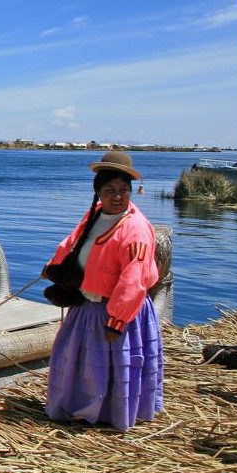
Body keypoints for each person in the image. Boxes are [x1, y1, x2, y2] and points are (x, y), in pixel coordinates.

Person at [44, 150, 164, 431]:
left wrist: (117, 320)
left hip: (119, 310)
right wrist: (54, 268)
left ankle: (110, 413)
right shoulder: (96, 215)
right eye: (110, 190)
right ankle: (78, 408)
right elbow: (72, 242)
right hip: (87, 305)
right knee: (77, 362)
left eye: (124, 190)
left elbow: (134, 278)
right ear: (98, 193)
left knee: (111, 365)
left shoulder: (135, 229)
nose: (118, 196)